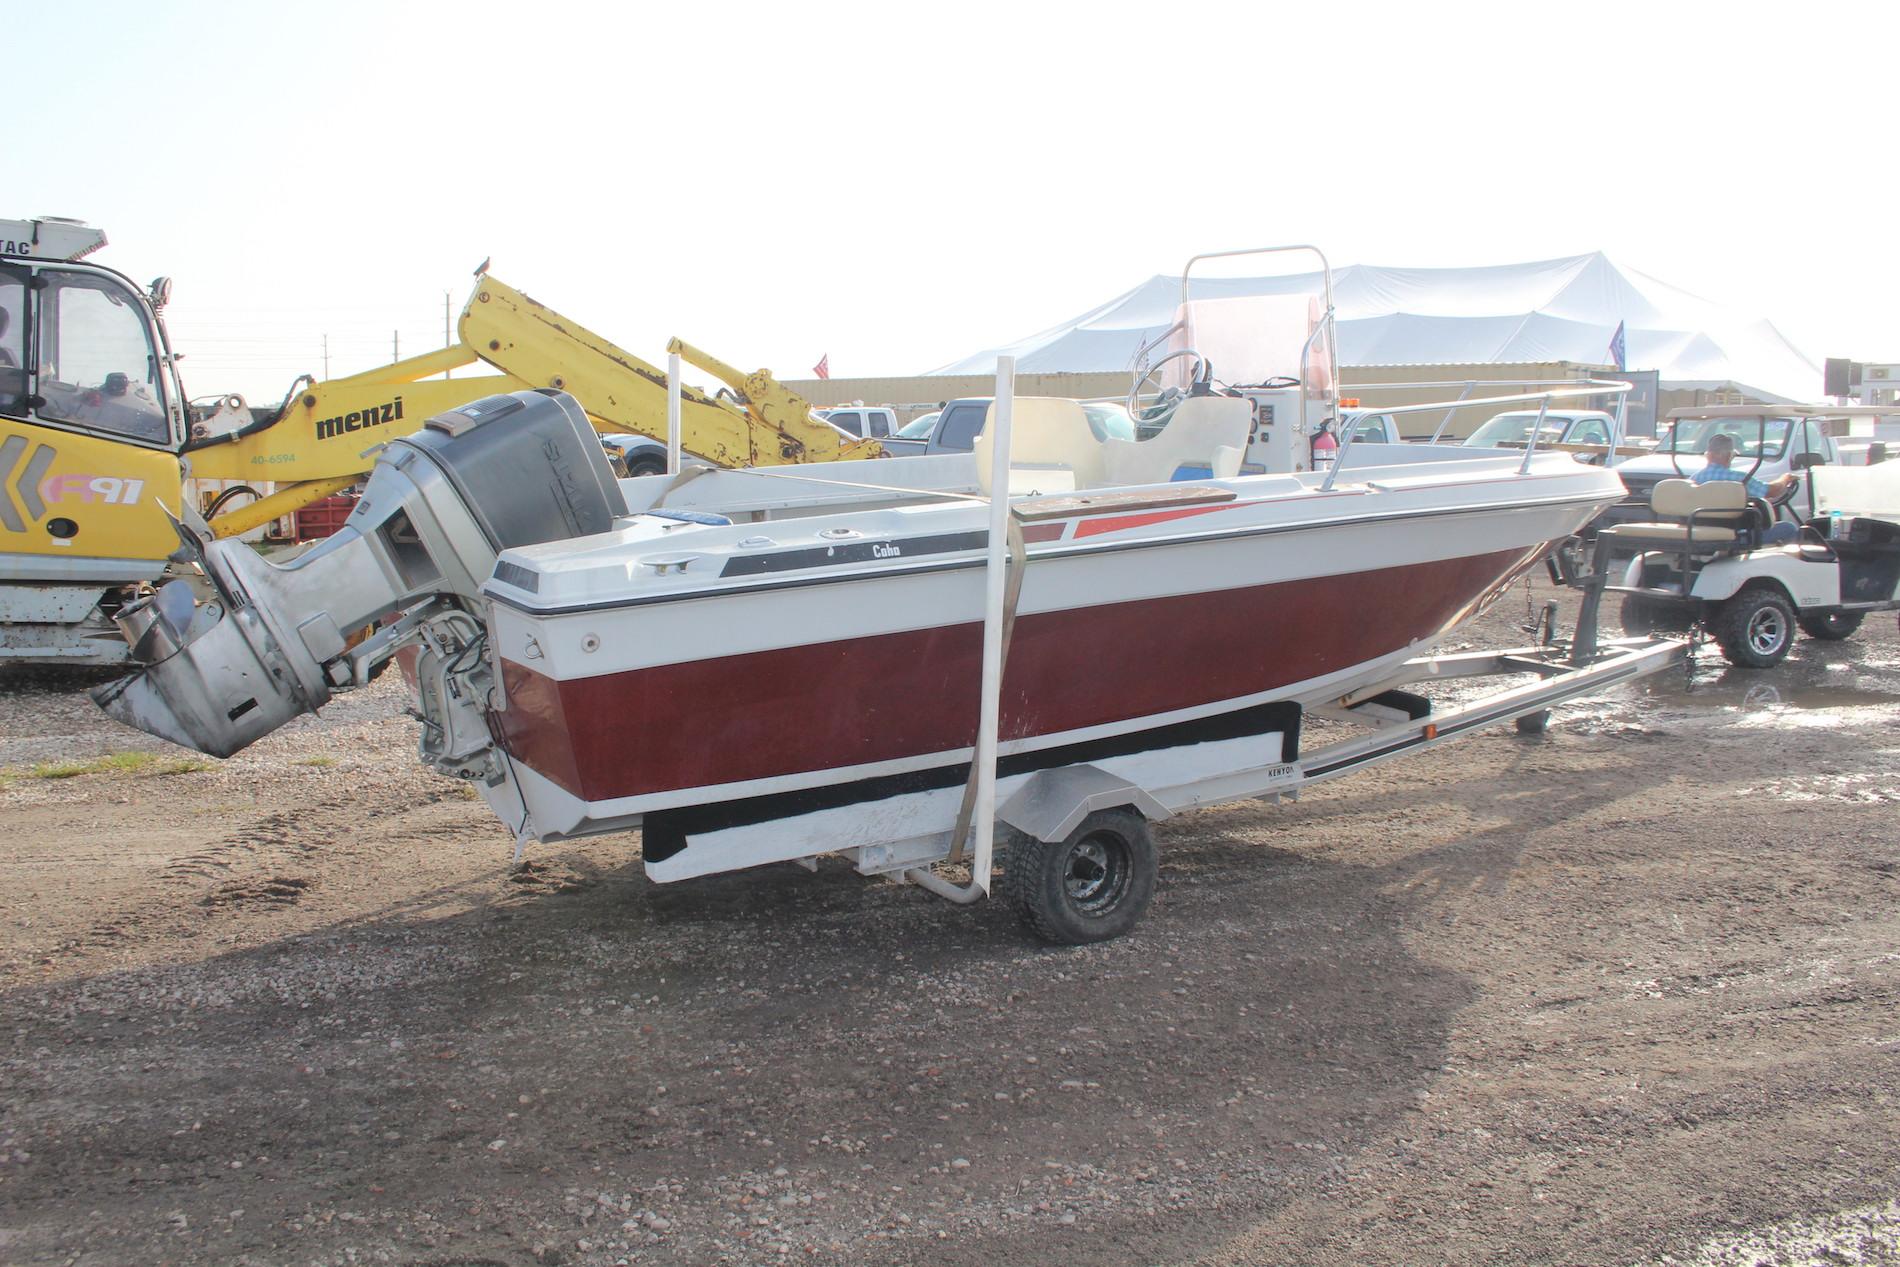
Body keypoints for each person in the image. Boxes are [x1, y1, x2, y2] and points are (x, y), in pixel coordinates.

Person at [1693, 432, 1798, 544]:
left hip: (1701, 529)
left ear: (1707, 455)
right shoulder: (1738, 478)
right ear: (1729, 456)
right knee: (1788, 528)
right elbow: (1771, 491)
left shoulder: (1694, 478)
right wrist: (1785, 479)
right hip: (1735, 535)